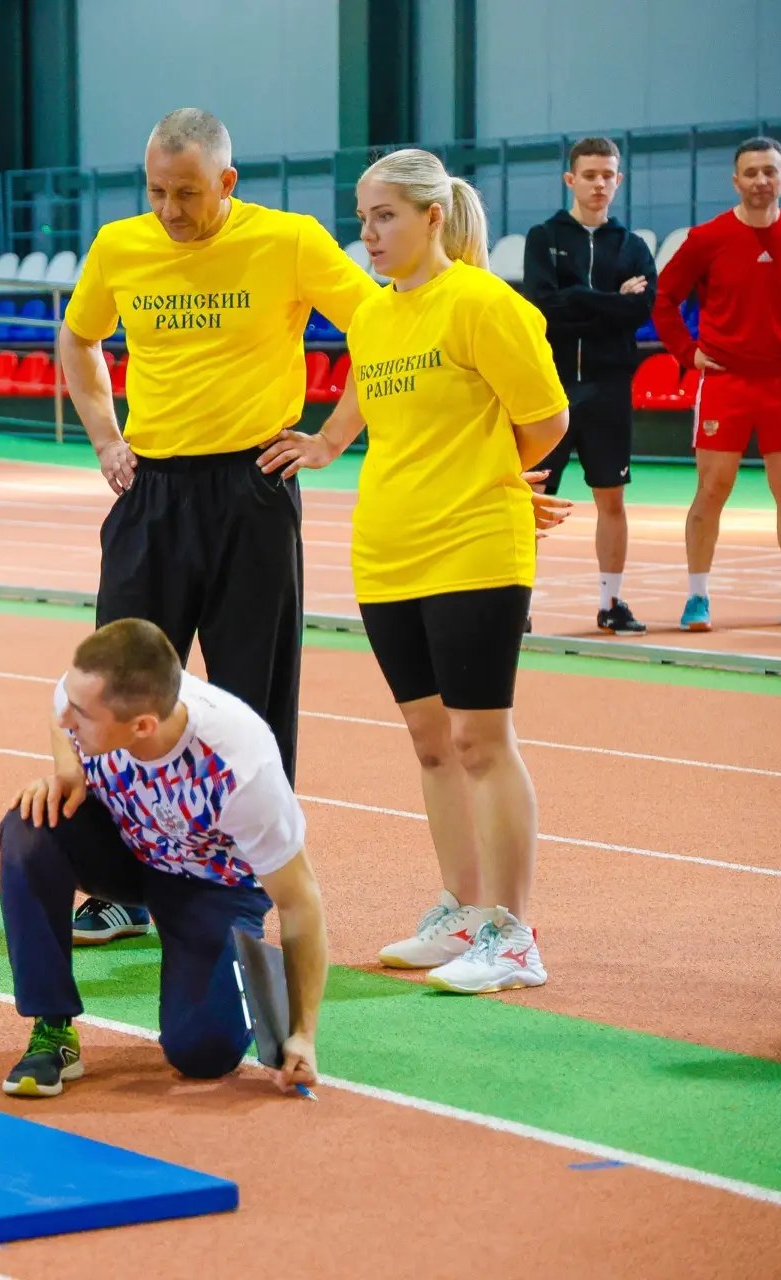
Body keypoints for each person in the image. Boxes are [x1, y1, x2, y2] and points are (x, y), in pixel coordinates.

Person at [54, 107, 378, 947]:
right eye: (157, 192)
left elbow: (384, 326)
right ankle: (119, 888)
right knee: (118, 690)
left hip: (252, 488)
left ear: (227, 182)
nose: (170, 211)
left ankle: (244, 884)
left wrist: (332, 437)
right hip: (152, 490)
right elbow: (79, 338)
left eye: (189, 194)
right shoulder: (120, 246)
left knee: (251, 698)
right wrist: (106, 437)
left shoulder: (291, 241)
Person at [260, 149, 569, 994]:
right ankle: (462, 912)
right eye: (363, 217)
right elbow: (368, 386)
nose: (369, 234)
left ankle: (513, 934)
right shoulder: (375, 315)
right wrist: (329, 440)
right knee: (433, 744)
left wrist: (493, 475)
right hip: (387, 548)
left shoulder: (482, 303)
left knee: (479, 741)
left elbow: (547, 419)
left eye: (385, 216)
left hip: (473, 543)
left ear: (434, 217)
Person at [0, 619, 327, 1098]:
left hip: (211, 886)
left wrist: (302, 1033)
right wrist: (68, 770)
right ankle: (52, 1029)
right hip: (128, 850)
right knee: (30, 825)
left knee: (202, 1053)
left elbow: (300, 902)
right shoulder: (91, 692)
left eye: (82, 715)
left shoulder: (241, 767)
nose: (67, 717)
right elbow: (59, 705)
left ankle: (228, 966)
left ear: (143, 726)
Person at [653, 135, 781, 632]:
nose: (761, 180)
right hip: (726, 381)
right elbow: (664, 300)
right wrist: (687, 353)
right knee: (713, 487)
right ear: (735, 181)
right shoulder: (707, 239)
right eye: (751, 172)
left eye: (770, 171)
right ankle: (697, 597)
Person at [522, 136, 658, 634]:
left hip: (608, 389)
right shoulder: (543, 237)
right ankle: (519, 607)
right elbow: (543, 308)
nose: (599, 184)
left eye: (607, 175)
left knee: (612, 499)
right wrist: (608, 301)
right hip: (550, 389)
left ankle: (612, 603)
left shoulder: (633, 246)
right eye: (589, 175)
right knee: (531, 497)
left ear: (618, 180)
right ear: (570, 179)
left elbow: (639, 311)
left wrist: (578, 298)